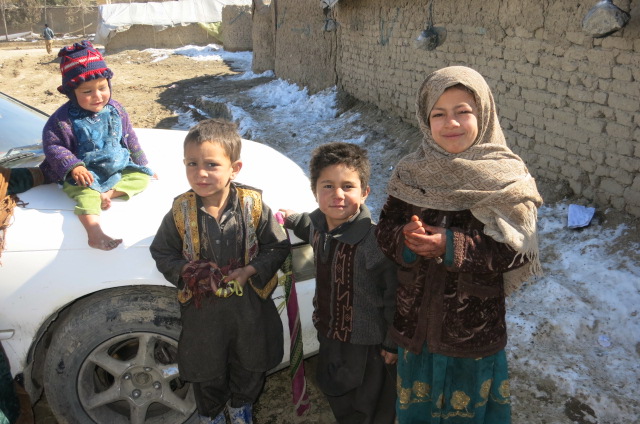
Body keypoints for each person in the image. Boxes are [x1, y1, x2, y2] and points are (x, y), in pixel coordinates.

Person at [375, 66, 543, 423]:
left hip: (472, 333)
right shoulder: (411, 172)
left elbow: (516, 248)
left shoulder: (506, 178)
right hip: (416, 326)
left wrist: (450, 244)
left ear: (483, 113)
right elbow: (385, 228)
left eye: (462, 111)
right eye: (439, 114)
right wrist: (406, 237)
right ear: (425, 120)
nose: (450, 123)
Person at [150, 118, 289, 424]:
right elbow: (161, 251)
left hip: (249, 308)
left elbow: (277, 247)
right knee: (206, 366)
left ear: (234, 168)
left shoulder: (253, 205)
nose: (200, 173)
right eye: (192, 163)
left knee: (251, 362)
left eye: (211, 164)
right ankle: (211, 414)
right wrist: (190, 271)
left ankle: (241, 406)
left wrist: (250, 270)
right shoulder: (179, 211)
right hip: (204, 311)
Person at [280, 142, 398, 424]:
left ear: (365, 192)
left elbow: (396, 295)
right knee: (336, 390)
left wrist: (392, 345)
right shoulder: (320, 228)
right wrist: (292, 219)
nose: (338, 195)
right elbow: (308, 227)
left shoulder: (374, 242)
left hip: (367, 345)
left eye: (348, 186)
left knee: (370, 404)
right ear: (315, 191)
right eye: (328, 186)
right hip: (329, 334)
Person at [40, 40, 154, 251]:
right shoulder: (63, 119)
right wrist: (75, 166)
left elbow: (130, 137)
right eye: (87, 92)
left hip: (116, 168)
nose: (97, 96)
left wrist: (142, 163)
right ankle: (94, 232)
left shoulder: (116, 109)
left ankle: (109, 194)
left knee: (141, 178)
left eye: (102, 88)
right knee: (87, 195)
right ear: (72, 93)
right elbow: (53, 146)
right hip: (85, 175)